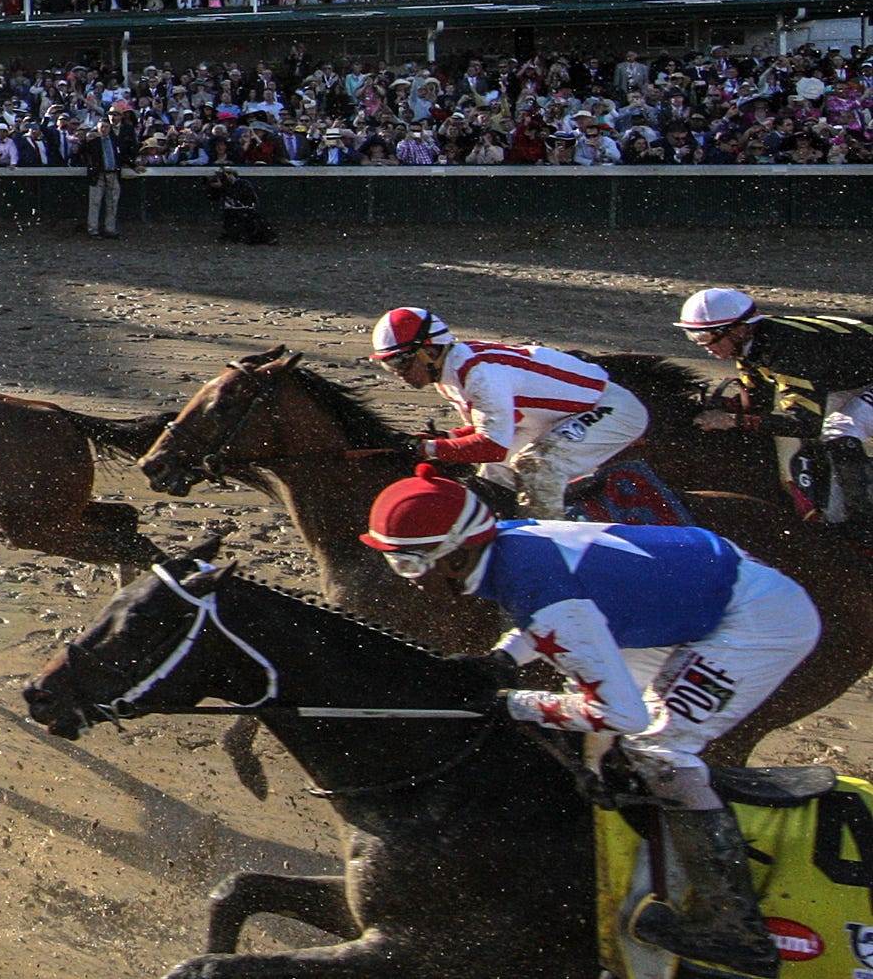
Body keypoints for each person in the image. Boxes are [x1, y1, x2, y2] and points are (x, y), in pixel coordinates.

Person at [362, 463, 817, 978]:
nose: (407, 581)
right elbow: (555, 610)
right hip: (693, 604)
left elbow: (618, 707)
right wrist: (503, 658)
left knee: (656, 750)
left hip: (755, 621)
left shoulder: (532, 583)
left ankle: (736, 929)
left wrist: (512, 701)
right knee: (599, 739)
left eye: (409, 565)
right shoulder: (502, 542)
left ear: (457, 554)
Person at [370, 307, 649, 518]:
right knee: (494, 475)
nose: (399, 373)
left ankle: (552, 551)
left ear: (430, 351)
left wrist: (427, 449)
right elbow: (492, 427)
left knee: (538, 466)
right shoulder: (449, 376)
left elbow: (491, 446)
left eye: (402, 362)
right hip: (551, 418)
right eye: (389, 365)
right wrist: (447, 437)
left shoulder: (479, 375)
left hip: (611, 408)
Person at [677, 286, 873, 527]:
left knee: (839, 430)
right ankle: (829, 507)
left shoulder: (790, 352)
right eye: (694, 336)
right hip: (855, 375)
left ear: (740, 330)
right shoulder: (754, 342)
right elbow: (759, 405)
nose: (704, 346)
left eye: (706, 337)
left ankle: (860, 524)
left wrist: (732, 420)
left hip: (859, 376)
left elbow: (805, 425)